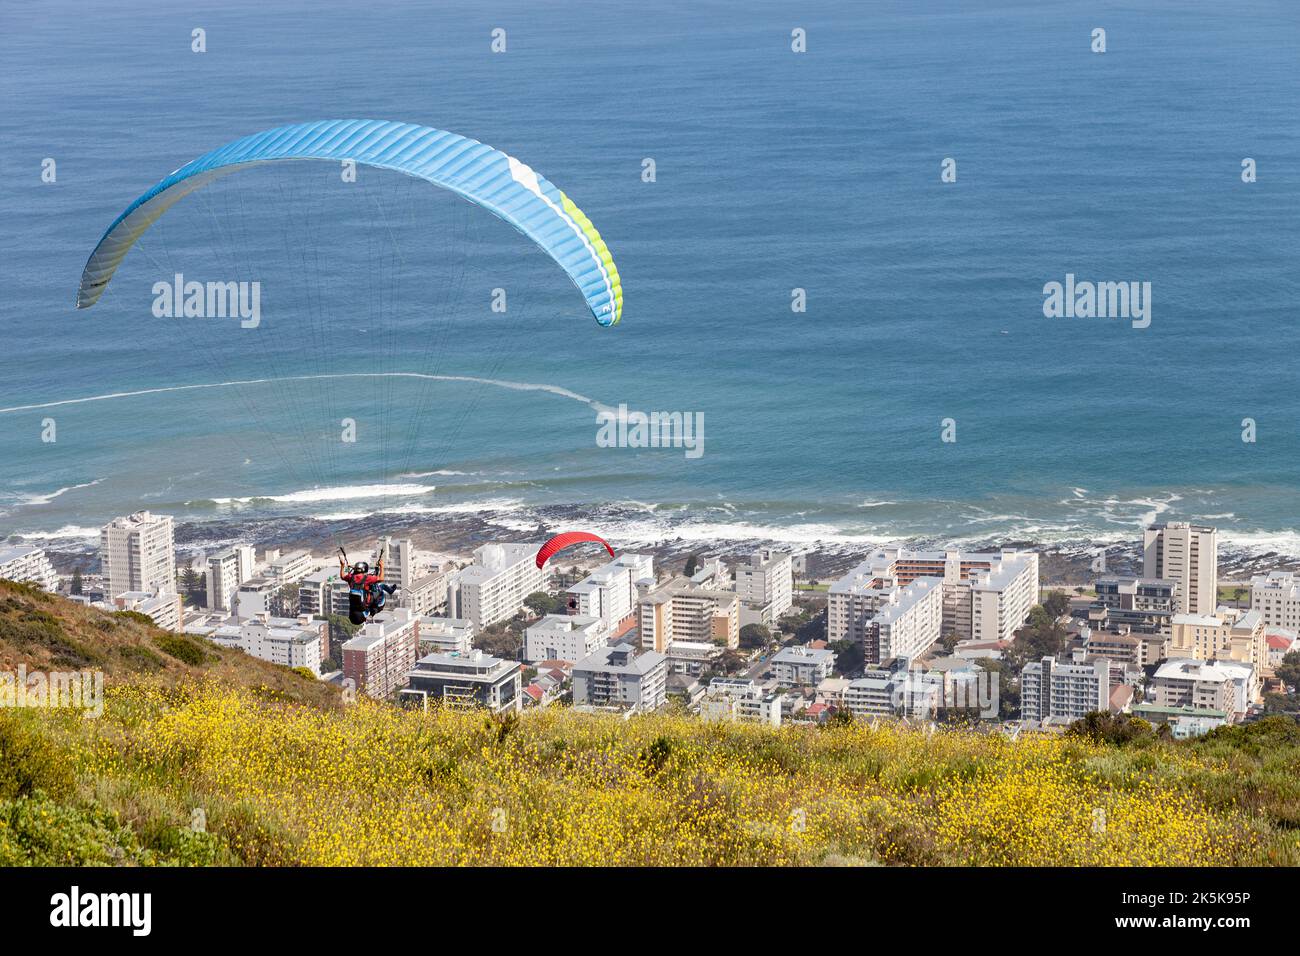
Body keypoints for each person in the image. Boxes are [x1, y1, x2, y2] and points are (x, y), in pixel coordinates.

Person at [338, 546, 399, 625]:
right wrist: (382, 566)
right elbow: (381, 578)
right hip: (365, 605)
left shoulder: (351, 577)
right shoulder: (367, 578)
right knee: (381, 589)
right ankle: (373, 612)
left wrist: (342, 565)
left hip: (354, 610)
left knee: (378, 587)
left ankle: (390, 591)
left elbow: (342, 576)